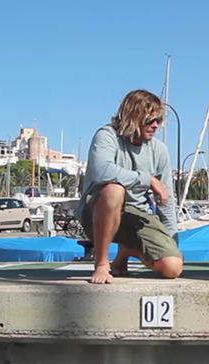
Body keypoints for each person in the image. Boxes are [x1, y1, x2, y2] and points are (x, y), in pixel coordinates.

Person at [75, 89, 183, 284]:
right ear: (134, 117)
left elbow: (166, 200)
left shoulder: (159, 150)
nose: (156, 125)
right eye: (150, 119)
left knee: (172, 268)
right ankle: (101, 264)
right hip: (98, 213)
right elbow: (102, 171)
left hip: (138, 215)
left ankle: (127, 250)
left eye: (159, 120)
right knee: (114, 190)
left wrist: (171, 243)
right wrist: (148, 179)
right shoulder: (106, 136)